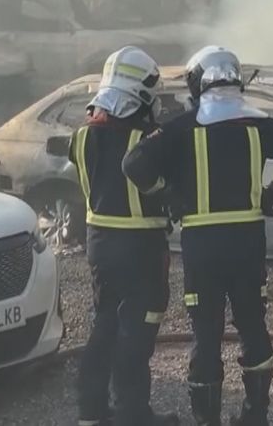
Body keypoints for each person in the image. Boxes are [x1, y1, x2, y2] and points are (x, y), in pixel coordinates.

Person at [123, 46, 273, 426]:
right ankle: (255, 415)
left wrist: (169, 195)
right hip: (248, 241)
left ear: (197, 83)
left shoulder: (181, 127)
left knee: (206, 332)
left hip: (202, 245)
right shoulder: (260, 125)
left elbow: (133, 163)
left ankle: (207, 420)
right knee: (253, 325)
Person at [74, 47, 179, 426]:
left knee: (104, 323)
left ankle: (91, 412)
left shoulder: (81, 136)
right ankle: (133, 414)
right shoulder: (146, 140)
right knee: (138, 331)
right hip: (141, 248)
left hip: (99, 244)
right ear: (141, 94)